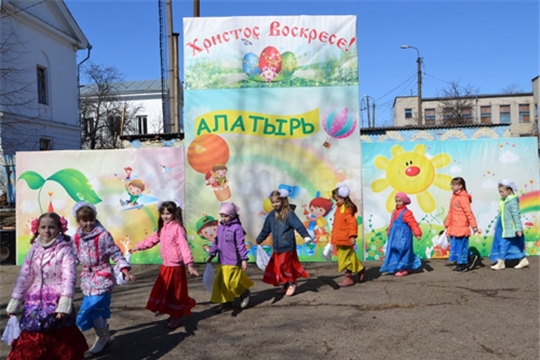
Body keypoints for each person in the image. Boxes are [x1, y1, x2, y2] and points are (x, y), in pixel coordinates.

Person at [6, 212, 88, 359]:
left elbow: (69, 277)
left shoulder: (65, 250)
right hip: (34, 299)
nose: (47, 231)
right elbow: (25, 276)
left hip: (56, 299)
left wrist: (65, 301)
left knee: (59, 334)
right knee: (31, 330)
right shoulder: (34, 250)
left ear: (59, 229)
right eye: (43, 227)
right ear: (37, 229)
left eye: (51, 227)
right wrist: (16, 300)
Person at [72, 202, 134, 354]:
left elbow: (115, 253)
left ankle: (101, 336)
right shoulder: (77, 237)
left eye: (91, 220)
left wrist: (124, 269)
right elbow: (74, 256)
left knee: (92, 308)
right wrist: (65, 271)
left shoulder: (103, 235)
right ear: (78, 221)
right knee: (98, 310)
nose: (88, 223)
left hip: (102, 276)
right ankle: (104, 334)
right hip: (87, 277)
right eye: (84, 220)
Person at [130, 201, 199, 329]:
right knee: (165, 292)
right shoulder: (163, 228)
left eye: (168, 213)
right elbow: (151, 240)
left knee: (175, 292)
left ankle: (177, 315)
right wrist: (138, 247)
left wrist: (189, 264)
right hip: (166, 266)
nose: (165, 216)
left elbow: (184, 247)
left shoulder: (178, 228)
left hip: (176, 267)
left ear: (175, 213)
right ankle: (173, 312)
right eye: (163, 213)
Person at [255, 189, 313, 296]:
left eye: (277, 201)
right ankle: (286, 284)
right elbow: (266, 229)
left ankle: (292, 283)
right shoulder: (272, 215)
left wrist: (306, 236)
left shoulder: (289, 214)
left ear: (283, 201)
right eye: (273, 202)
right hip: (277, 246)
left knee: (285, 265)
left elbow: (298, 225)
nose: (275, 204)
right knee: (279, 267)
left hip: (287, 245)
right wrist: (259, 239)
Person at [207, 202, 254, 312]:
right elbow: (216, 241)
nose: (223, 218)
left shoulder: (237, 228)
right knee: (222, 284)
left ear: (232, 215)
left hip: (233, 261)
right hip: (223, 261)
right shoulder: (219, 227)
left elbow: (240, 244)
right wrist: (212, 254)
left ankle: (243, 291)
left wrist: (243, 259)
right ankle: (227, 304)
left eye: (226, 216)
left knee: (232, 283)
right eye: (222, 216)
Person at [380, 192, 422, 277]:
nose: (398, 203)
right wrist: (389, 230)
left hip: (404, 235)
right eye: (396, 201)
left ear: (404, 201)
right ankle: (406, 265)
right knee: (394, 249)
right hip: (395, 235)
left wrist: (417, 233)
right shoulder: (394, 212)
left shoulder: (407, 213)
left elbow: (413, 223)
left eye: (400, 201)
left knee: (404, 250)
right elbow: (392, 222)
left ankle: (403, 268)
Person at [489, 179, 529, 270]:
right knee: (514, 244)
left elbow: (516, 215)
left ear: (509, 190)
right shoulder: (504, 200)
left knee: (504, 243)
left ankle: (501, 262)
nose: (500, 193)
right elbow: (502, 215)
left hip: (511, 228)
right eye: (499, 192)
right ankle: (523, 259)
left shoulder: (512, 201)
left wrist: (518, 228)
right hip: (506, 228)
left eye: (502, 191)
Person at [330, 185, 365, 286]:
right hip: (340, 237)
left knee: (346, 259)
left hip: (345, 238)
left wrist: (352, 236)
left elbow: (352, 223)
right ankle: (359, 269)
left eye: (338, 199)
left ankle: (349, 278)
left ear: (344, 198)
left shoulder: (347, 209)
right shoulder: (340, 208)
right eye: (335, 200)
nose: (336, 202)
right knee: (349, 257)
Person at [445, 177, 479, 272]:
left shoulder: (463, 198)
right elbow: (450, 212)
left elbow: (469, 212)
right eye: (451, 184)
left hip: (461, 226)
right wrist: (447, 223)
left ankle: (463, 263)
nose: (452, 186)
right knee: (455, 245)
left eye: (454, 185)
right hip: (454, 226)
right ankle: (470, 256)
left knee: (461, 245)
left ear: (460, 186)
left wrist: (474, 226)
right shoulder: (454, 197)